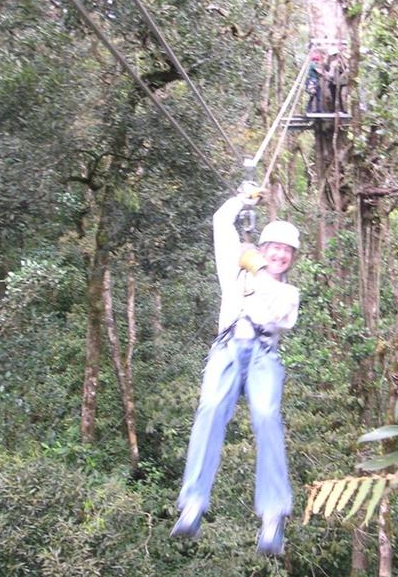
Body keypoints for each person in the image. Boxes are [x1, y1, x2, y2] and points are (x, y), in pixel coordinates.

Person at [171, 182, 301, 557]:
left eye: (286, 252)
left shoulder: (288, 293)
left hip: (263, 355)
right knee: (210, 410)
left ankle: (273, 514)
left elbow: (281, 314)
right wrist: (241, 200)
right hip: (227, 348)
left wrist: (258, 268)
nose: (279, 256)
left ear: (290, 259)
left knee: (266, 416)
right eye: (274, 249)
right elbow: (220, 222)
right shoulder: (234, 272)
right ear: (263, 248)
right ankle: (193, 501)